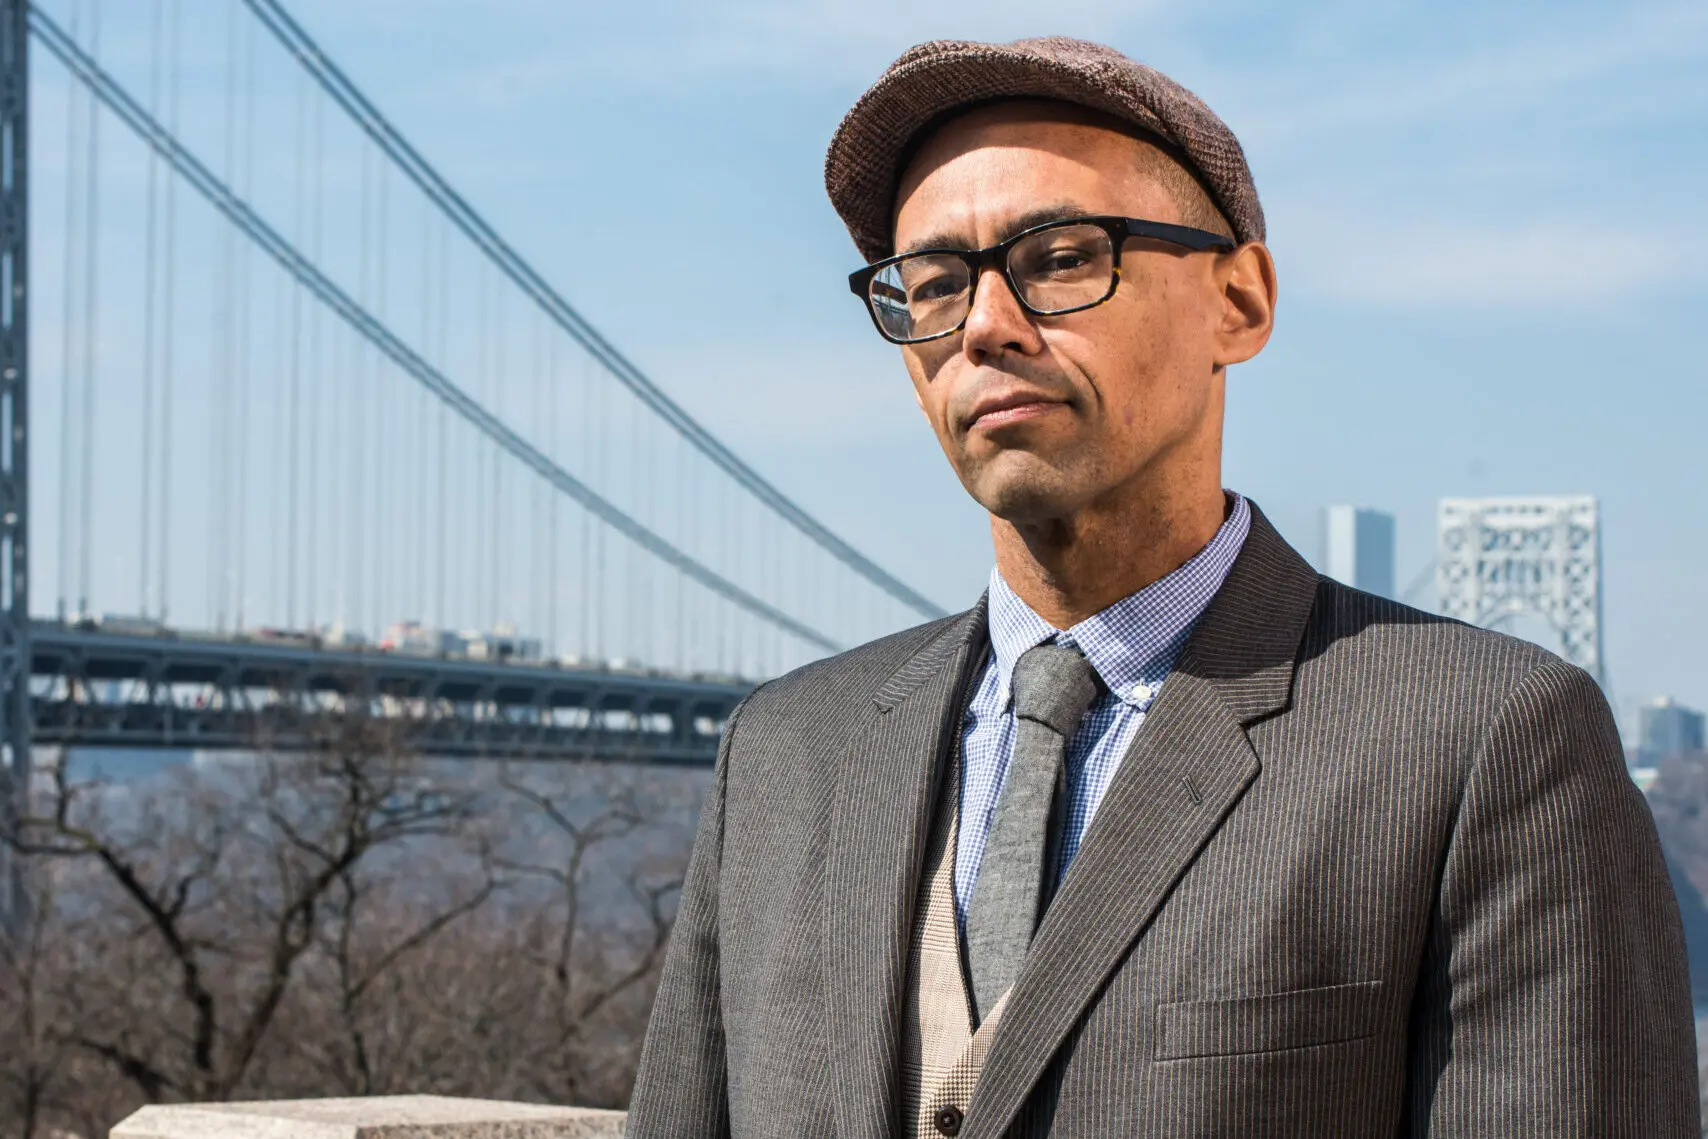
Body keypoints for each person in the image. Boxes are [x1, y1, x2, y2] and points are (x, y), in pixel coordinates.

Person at [627, 36, 1697, 1138]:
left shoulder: (1485, 738)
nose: (985, 326)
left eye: (1058, 257)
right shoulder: (785, 750)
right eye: (936, 283)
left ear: (1239, 299)